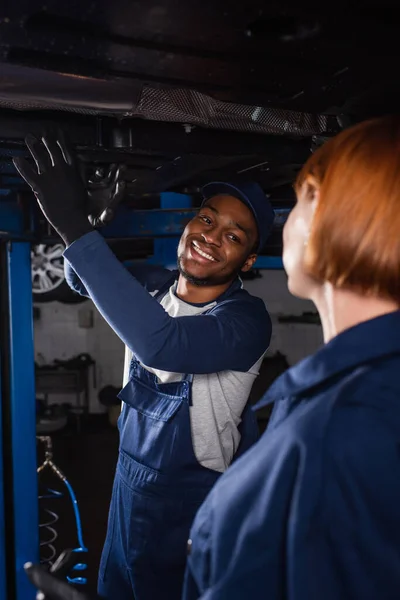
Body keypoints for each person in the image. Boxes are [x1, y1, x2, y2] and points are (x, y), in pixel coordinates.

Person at [13, 136, 274, 600]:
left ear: (249, 261)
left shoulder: (244, 320)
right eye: (206, 218)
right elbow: (79, 279)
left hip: (193, 505)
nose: (211, 236)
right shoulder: (153, 285)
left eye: (233, 236)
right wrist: (94, 226)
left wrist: (71, 224)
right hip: (127, 490)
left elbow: (162, 345)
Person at [181, 114, 400, 600]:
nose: (290, 221)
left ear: (339, 218)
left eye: (303, 197)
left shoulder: (343, 427)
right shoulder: (355, 395)